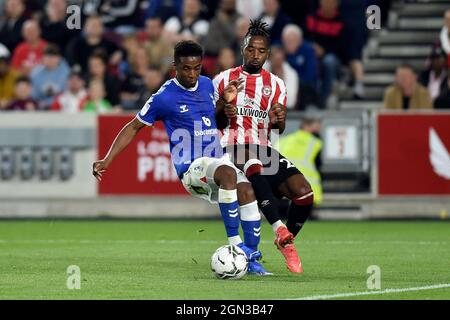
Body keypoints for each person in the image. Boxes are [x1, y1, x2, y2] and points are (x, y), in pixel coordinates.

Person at [92, 40, 270, 275]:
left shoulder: (207, 85)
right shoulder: (164, 97)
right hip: (191, 169)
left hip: (216, 160)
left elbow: (214, 120)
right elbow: (133, 127)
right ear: (174, 66)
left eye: (197, 68)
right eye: (186, 68)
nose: (192, 74)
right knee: (228, 174)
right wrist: (106, 160)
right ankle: (236, 246)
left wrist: (223, 103)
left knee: (247, 192)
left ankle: (252, 259)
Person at [214, 19, 314, 273]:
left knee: (304, 193)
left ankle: (286, 239)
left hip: (263, 147)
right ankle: (279, 230)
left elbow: (277, 127)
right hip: (232, 146)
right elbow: (216, 121)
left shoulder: (277, 85)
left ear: (268, 54)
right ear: (243, 49)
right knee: (252, 159)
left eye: (261, 51)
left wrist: (279, 119)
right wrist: (224, 108)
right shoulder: (224, 79)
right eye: (251, 49)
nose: (255, 55)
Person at [276, 116, 323, 210]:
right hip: (306, 186)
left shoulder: (283, 140)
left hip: (281, 184)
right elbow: (318, 164)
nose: (319, 129)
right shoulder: (315, 142)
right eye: (317, 126)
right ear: (307, 125)